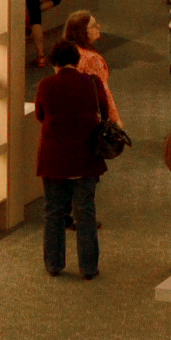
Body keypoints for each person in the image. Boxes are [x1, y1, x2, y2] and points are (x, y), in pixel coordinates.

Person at [33, 40, 107, 278]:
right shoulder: (92, 84)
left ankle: (54, 264)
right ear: (77, 61)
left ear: (54, 62)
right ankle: (89, 267)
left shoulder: (46, 85)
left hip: (54, 158)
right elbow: (104, 111)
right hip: (86, 157)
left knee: (53, 212)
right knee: (85, 213)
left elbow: (40, 114)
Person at [60, 10, 119, 126]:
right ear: (82, 32)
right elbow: (104, 92)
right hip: (90, 116)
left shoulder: (63, 54)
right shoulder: (92, 59)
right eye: (93, 26)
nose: (98, 27)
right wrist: (115, 120)